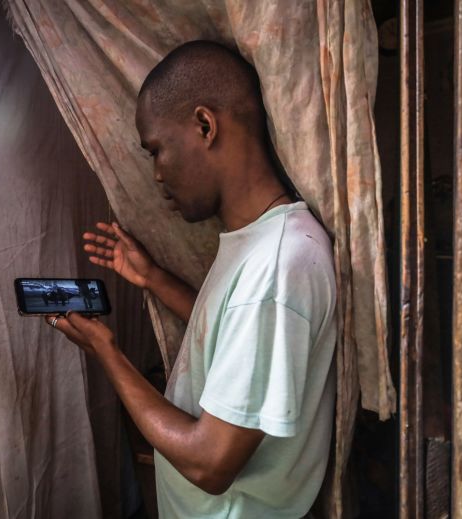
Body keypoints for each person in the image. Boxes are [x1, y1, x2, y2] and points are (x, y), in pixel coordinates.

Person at [46, 40, 336, 518]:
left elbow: (209, 463)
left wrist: (107, 353)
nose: (157, 175)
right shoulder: (262, 243)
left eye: (157, 149)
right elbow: (232, 333)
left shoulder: (277, 267)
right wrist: (154, 279)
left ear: (205, 125)